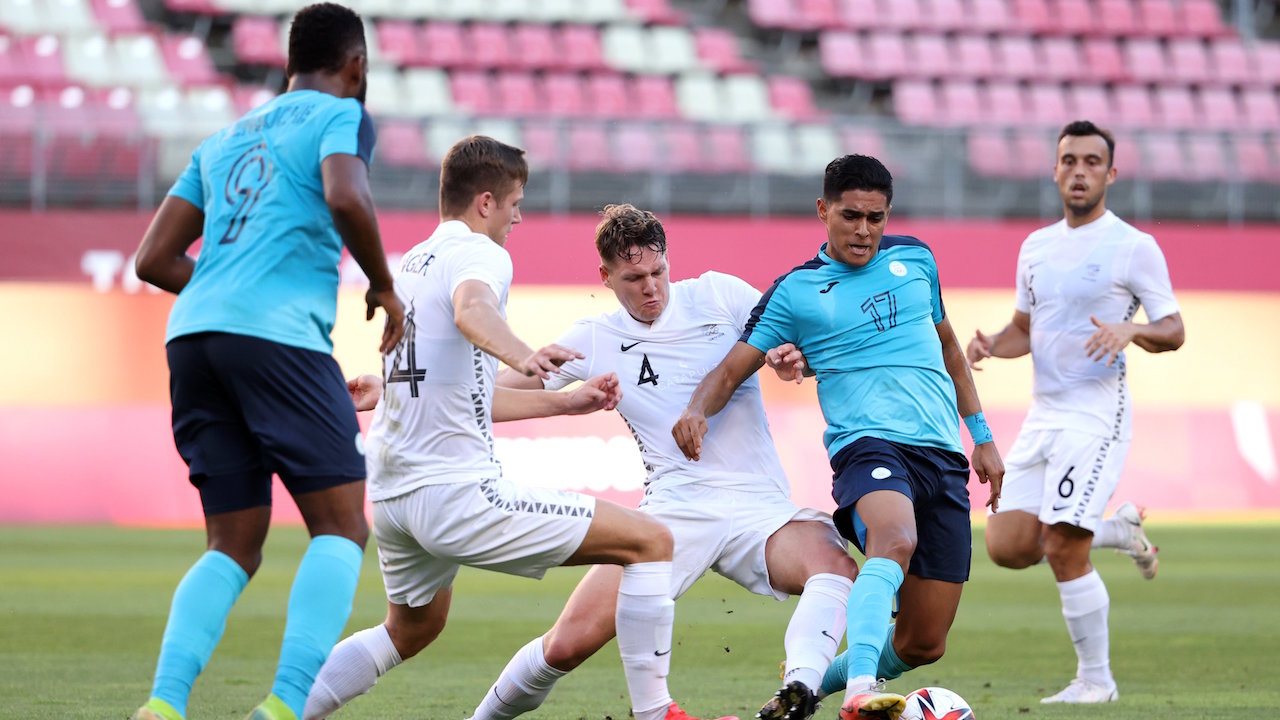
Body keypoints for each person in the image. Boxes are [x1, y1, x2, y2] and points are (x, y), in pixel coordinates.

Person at [301, 137, 679, 720]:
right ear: (485, 202)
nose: (518, 216)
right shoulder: (483, 256)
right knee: (651, 541)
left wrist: (564, 404)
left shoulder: (412, 262)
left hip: (394, 493)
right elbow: (472, 310)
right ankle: (657, 714)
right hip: (453, 492)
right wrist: (524, 354)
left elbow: (461, 394)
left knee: (412, 627)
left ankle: (281, 711)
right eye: (514, 203)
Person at [459, 204, 860, 720]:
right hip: (674, 511)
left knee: (835, 564)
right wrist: (405, 395)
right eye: (634, 278)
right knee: (566, 645)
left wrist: (791, 360)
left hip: (760, 505)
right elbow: (493, 393)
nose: (651, 288)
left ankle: (799, 691)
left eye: (657, 272)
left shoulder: (722, 294)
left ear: (669, 261)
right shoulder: (595, 337)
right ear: (605, 277)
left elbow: (792, 347)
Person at [129, 5, 404, 720]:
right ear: (356, 67)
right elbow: (346, 193)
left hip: (192, 339)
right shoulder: (342, 114)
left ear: (288, 63)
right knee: (343, 527)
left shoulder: (222, 139)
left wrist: (223, 291)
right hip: (279, 338)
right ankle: (283, 708)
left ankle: (163, 706)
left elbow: (153, 260)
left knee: (233, 542)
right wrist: (382, 282)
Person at [673, 154, 1004, 720]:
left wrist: (983, 437)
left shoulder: (916, 259)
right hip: (868, 448)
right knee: (893, 539)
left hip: (943, 458)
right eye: (851, 216)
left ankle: (803, 695)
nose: (864, 230)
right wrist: (696, 411)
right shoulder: (796, 291)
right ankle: (859, 692)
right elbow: (731, 370)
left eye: (876, 217)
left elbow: (949, 348)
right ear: (823, 211)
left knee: (925, 641)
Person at [966, 120, 1184, 705]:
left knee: (1064, 547)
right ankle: (1119, 529)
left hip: (1096, 417)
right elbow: (1024, 331)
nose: (1079, 171)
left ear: (1110, 174)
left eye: (1092, 161)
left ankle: (1097, 682)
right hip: (1045, 414)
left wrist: (1133, 330)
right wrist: (992, 345)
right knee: (1007, 546)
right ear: (1055, 170)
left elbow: (1174, 328)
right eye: (1069, 161)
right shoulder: (1035, 246)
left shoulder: (1133, 246)